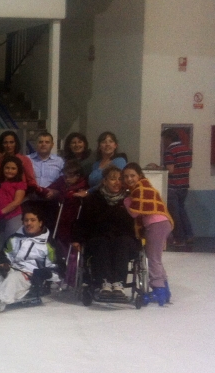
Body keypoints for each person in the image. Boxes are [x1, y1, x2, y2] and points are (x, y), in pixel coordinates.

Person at [0, 206, 58, 314]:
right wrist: (4, 263)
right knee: (0, 274)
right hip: (14, 268)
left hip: (32, 275)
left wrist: (44, 274)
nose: (29, 223)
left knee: (13, 278)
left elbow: (57, 269)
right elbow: (5, 254)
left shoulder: (49, 244)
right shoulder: (15, 238)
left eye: (33, 220)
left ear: (40, 223)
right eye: (26, 220)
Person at [72, 165, 138, 300]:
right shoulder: (93, 199)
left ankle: (119, 283)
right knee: (101, 242)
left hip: (123, 237)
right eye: (113, 179)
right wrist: (77, 239)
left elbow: (134, 224)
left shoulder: (129, 199)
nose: (117, 182)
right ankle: (104, 282)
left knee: (123, 242)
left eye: (120, 179)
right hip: (99, 236)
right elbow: (83, 222)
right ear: (104, 181)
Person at [122, 163, 173, 303]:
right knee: (156, 258)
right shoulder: (145, 187)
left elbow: (134, 212)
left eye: (132, 175)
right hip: (162, 223)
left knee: (153, 259)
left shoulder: (140, 189)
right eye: (126, 176)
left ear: (140, 175)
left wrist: (127, 201)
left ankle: (158, 291)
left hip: (156, 224)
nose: (129, 179)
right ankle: (165, 289)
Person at [161, 128, 193, 247]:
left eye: (164, 139)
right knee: (182, 211)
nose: (163, 141)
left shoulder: (170, 150)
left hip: (173, 185)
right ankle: (189, 235)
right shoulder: (187, 149)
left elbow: (171, 170)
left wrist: (160, 168)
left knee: (175, 214)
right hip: (184, 185)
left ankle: (180, 239)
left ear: (169, 138)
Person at [0, 156, 27, 254]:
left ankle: (13, 267)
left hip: (13, 217)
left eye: (13, 168)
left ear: (18, 170)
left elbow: (17, 202)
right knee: (0, 244)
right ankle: (2, 266)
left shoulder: (20, 184)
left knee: (12, 245)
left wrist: (1, 212)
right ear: (2, 168)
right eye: (7, 168)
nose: (10, 170)